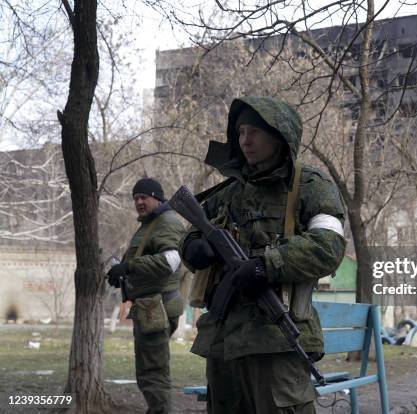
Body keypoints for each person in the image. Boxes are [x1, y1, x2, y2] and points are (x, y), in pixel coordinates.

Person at [180, 96, 347, 413]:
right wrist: (193, 247)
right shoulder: (228, 192)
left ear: (280, 134)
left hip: (275, 340)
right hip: (223, 339)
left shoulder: (310, 186)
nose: (245, 140)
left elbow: (329, 246)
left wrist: (266, 266)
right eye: (240, 132)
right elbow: (190, 232)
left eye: (254, 131)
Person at [107, 177, 185, 414]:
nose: (139, 201)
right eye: (136, 198)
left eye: (144, 197)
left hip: (157, 308)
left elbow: (172, 260)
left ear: (157, 198)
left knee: (153, 373)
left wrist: (130, 267)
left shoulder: (167, 222)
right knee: (149, 372)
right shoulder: (151, 223)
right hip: (150, 308)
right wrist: (122, 271)